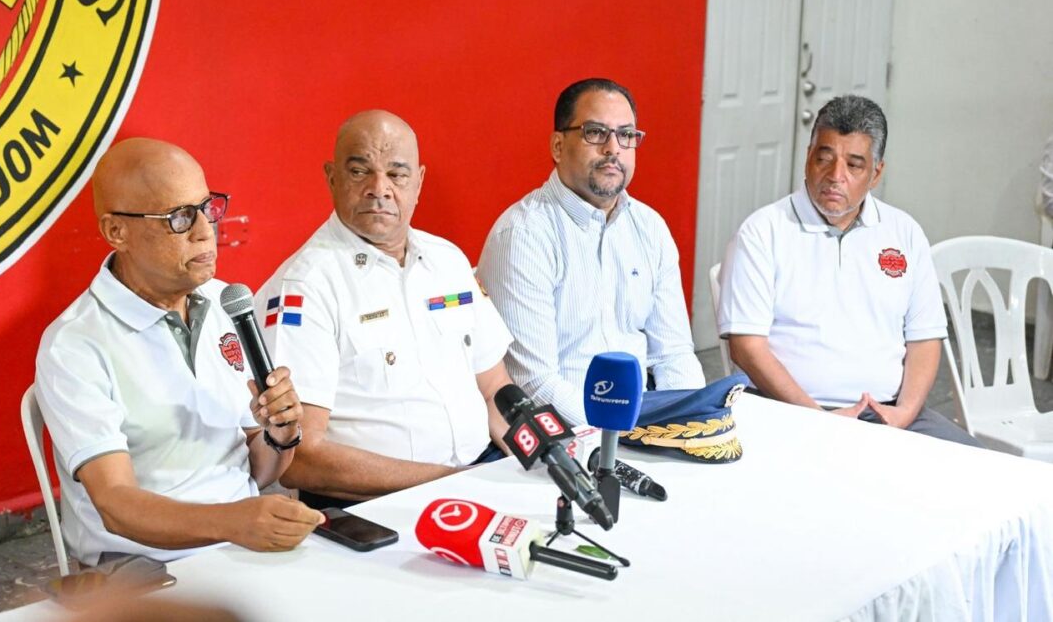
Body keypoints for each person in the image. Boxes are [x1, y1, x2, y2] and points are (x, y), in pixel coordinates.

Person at [35, 139, 324, 567]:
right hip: (137, 567)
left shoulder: (226, 302)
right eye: (180, 218)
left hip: (238, 547)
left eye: (208, 208)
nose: (206, 230)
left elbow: (259, 473)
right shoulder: (75, 343)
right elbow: (115, 505)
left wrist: (280, 436)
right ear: (117, 232)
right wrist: (233, 522)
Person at [255, 110, 513, 509]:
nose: (380, 189)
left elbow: (495, 389)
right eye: (360, 172)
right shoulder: (305, 286)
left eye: (397, 174)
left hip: (480, 480)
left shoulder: (448, 261)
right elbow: (300, 458)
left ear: (419, 183)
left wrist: (545, 458)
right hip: (378, 508)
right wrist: (453, 485)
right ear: (331, 177)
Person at [717, 95, 979, 446]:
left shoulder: (904, 232)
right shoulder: (763, 231)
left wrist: (903, 413)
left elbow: (925, 338)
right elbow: (746, 347)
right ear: (808, 156)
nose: (835, 176)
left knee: (985, 474)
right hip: (786, 410)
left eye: (854, 165)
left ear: (876, 173)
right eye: (824, 158)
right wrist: (816, 418)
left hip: (886, 415)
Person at [477, 78, 706, 426]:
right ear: (557, 145)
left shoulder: (650, 227)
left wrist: (683, 421)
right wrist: (625, 431)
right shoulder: (523, 235)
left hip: (643, 424)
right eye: (596, 133)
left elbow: (673, 353)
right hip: (567, 437)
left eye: (626, 135)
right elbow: (535, 384)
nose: (613, 148)